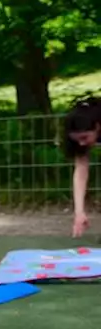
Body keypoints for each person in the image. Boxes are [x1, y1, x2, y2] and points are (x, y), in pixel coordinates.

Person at [63, 98, 101, 238]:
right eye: (76, 139)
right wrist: (79, 212)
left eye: (85, 137)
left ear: (97, 127)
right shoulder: (81, 141)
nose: (81, 143)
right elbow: (80, 172)